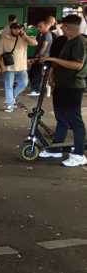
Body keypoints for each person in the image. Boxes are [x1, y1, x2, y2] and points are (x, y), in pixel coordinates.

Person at [39, 14, 87, 167]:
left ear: (67, 27)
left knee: (75, 120)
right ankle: (56, 148)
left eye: (62, 27)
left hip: (73, 87)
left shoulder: (79, 42)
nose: (61, 29)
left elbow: (77, 65)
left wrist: (53, 60)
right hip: (62, 85)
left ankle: (79, 154)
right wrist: (53, 75)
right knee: (62, 119)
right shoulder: (69, 41)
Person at [0, 23, 38, 112]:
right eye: (15, 29)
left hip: (22, 67)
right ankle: (10, 105)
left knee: (24, 83)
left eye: (19, 29)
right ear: (11, 29)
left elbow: (35, 43)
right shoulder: (4, 39)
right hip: (9, 67)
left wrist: (25, 36)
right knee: (8, 86)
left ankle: (12, 97)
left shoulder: (24, 38)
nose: (17, 30)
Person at [27, 21, 53, 96]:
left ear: (46, 26)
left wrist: (37, 57)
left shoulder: (47, 35)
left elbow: (44, 47)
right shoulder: (40, 34)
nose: (38, 28)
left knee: (36, 72)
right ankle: (34, 89)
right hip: (38, 56)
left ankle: (36, 90)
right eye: (38, 26)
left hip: (43, 57)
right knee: (32, 72)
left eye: (40, 26)